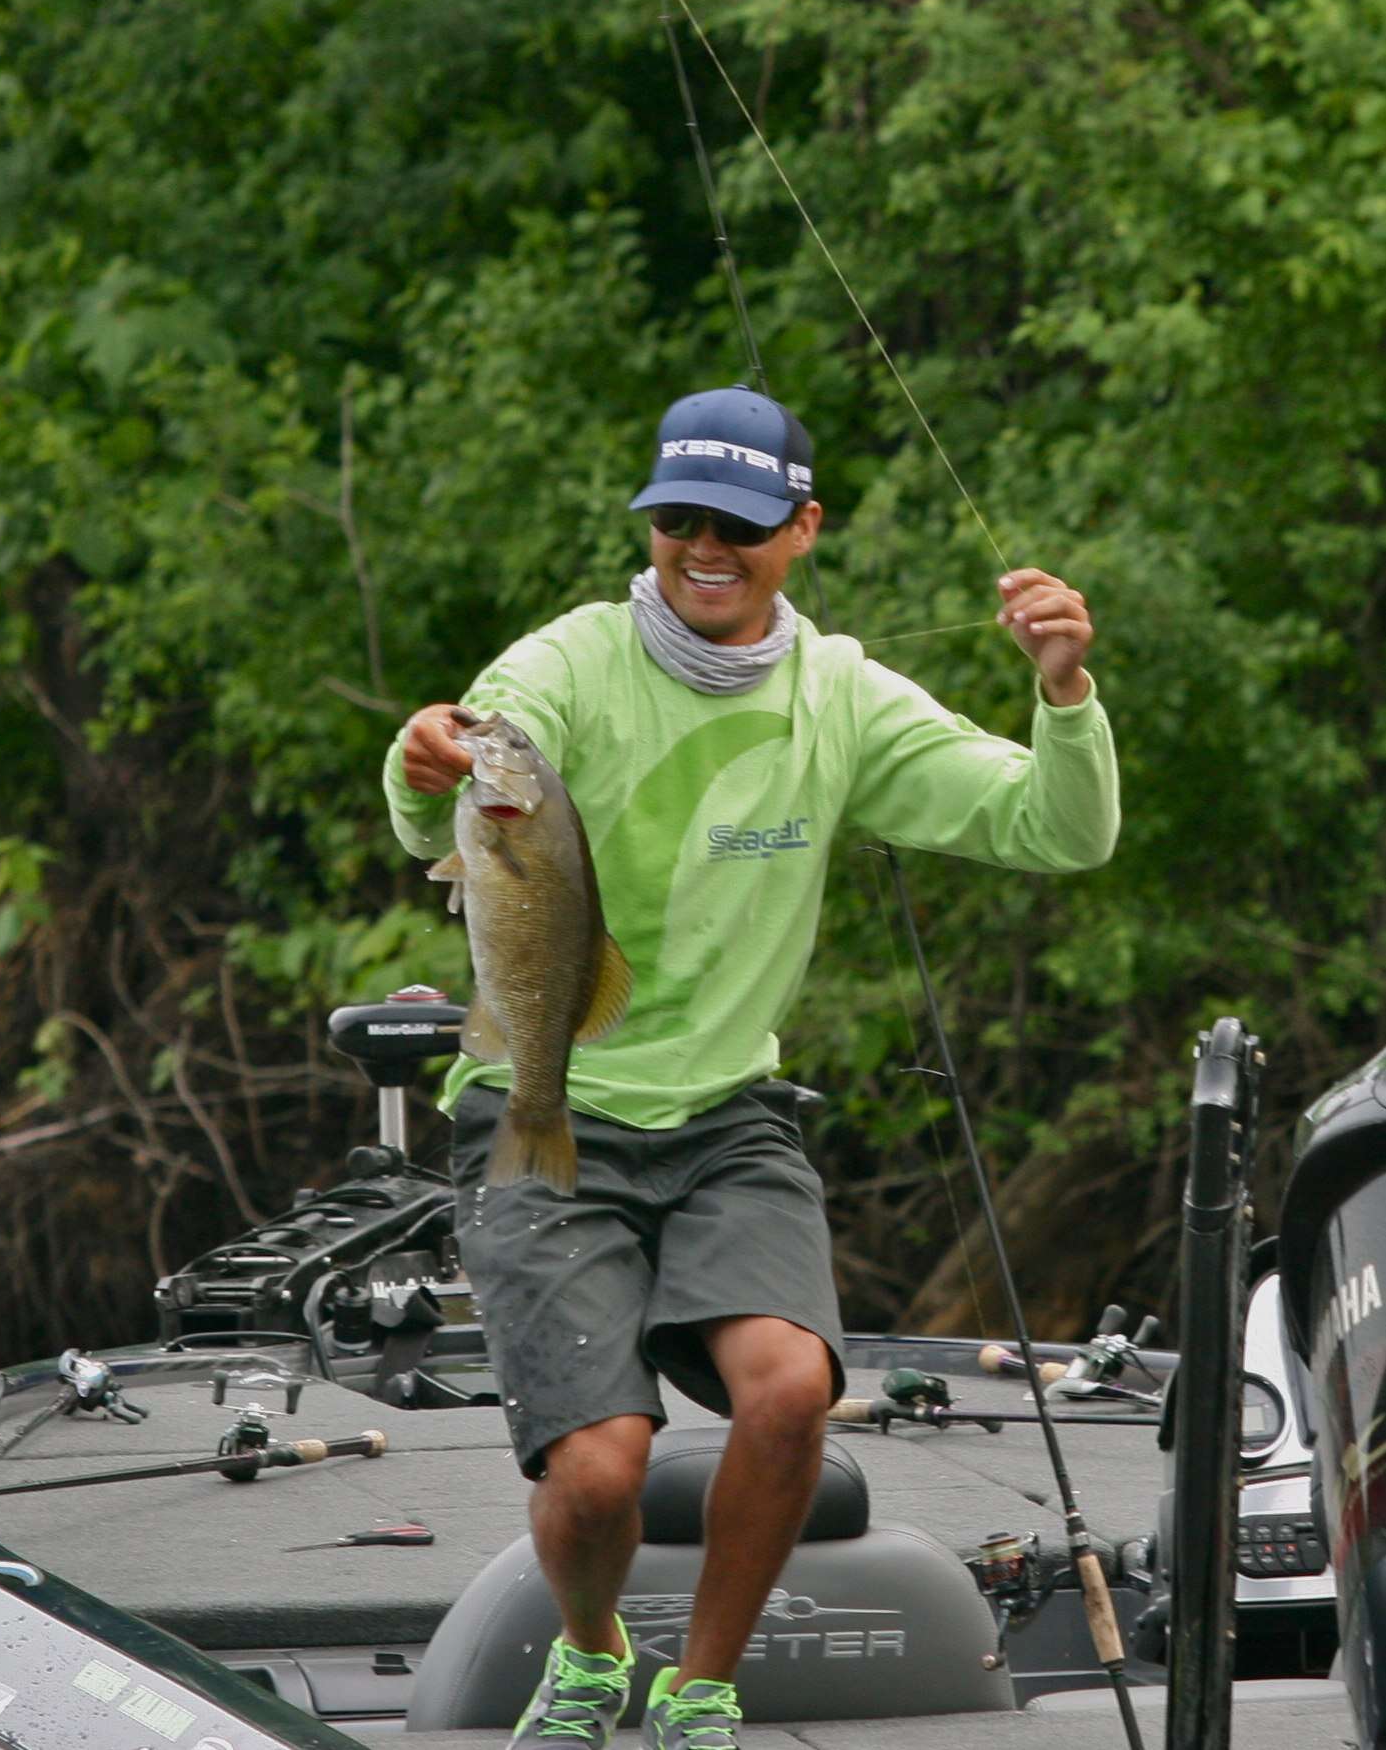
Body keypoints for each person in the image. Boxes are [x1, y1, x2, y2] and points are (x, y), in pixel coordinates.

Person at [383, 385, 1118, 1750]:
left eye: (735, 521)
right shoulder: (569, 663)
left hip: (728, 1116)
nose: (700, 545)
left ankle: (701, 1690)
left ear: (801, 529)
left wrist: (1062, 691)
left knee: (788, 1389)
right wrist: (426, 756)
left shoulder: (839, 695)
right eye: (675, 518)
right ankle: (593, 1654)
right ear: (648, 525)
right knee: (599, 1470)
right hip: (548, 1101)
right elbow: (457, 762)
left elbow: (1053, 827)